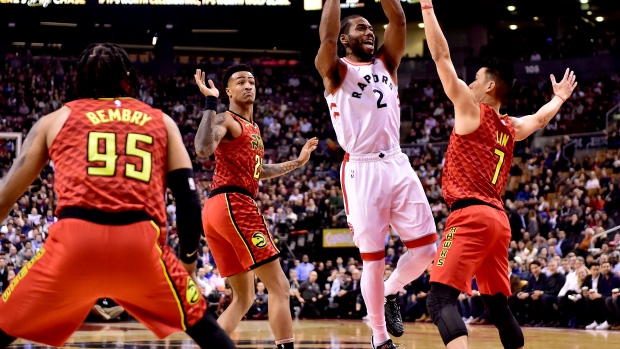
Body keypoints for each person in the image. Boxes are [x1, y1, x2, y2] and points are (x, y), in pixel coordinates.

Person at [0, 43, 236, 349]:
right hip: (140, 244)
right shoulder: (161, 121)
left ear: (80, 80)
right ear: (128, 79)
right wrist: (187, 264)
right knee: (206, 329)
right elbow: (188, 201)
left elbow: (5, 199)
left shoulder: (55, 119)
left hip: (74, 242)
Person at [419, 2, 578, 348]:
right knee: (497, 304)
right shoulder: (510, 127)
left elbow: (441, 57)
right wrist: (559, 100)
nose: (470, 83)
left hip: (470, 215)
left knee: (439, 300)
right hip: (498, 221)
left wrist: (427, 7)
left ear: (489, 86)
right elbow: (539, 118)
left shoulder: (470, 110)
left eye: (475, 79)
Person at [315, 1, 438, 348]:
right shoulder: (335, 70)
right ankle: (380, 338)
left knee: (428, 248)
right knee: (373, 257)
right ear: (343, 39)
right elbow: (324, 38)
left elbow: (398, 18)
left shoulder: (387, 62)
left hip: (397, 162)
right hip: (362, 168)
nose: (369, 32)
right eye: (360, 28)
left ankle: (389, 291)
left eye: (371, 28)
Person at [194, 65, 318, 349]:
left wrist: (297, 163)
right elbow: (202, 148)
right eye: (240, 81)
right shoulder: (226, 118)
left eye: (251, 80)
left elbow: (258, 171)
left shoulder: (253, 128)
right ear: (228, 91)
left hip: (217, 209)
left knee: (245, 297)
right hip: (234, 203)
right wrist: (210, 102)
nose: (248, 85)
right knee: (281, 288)